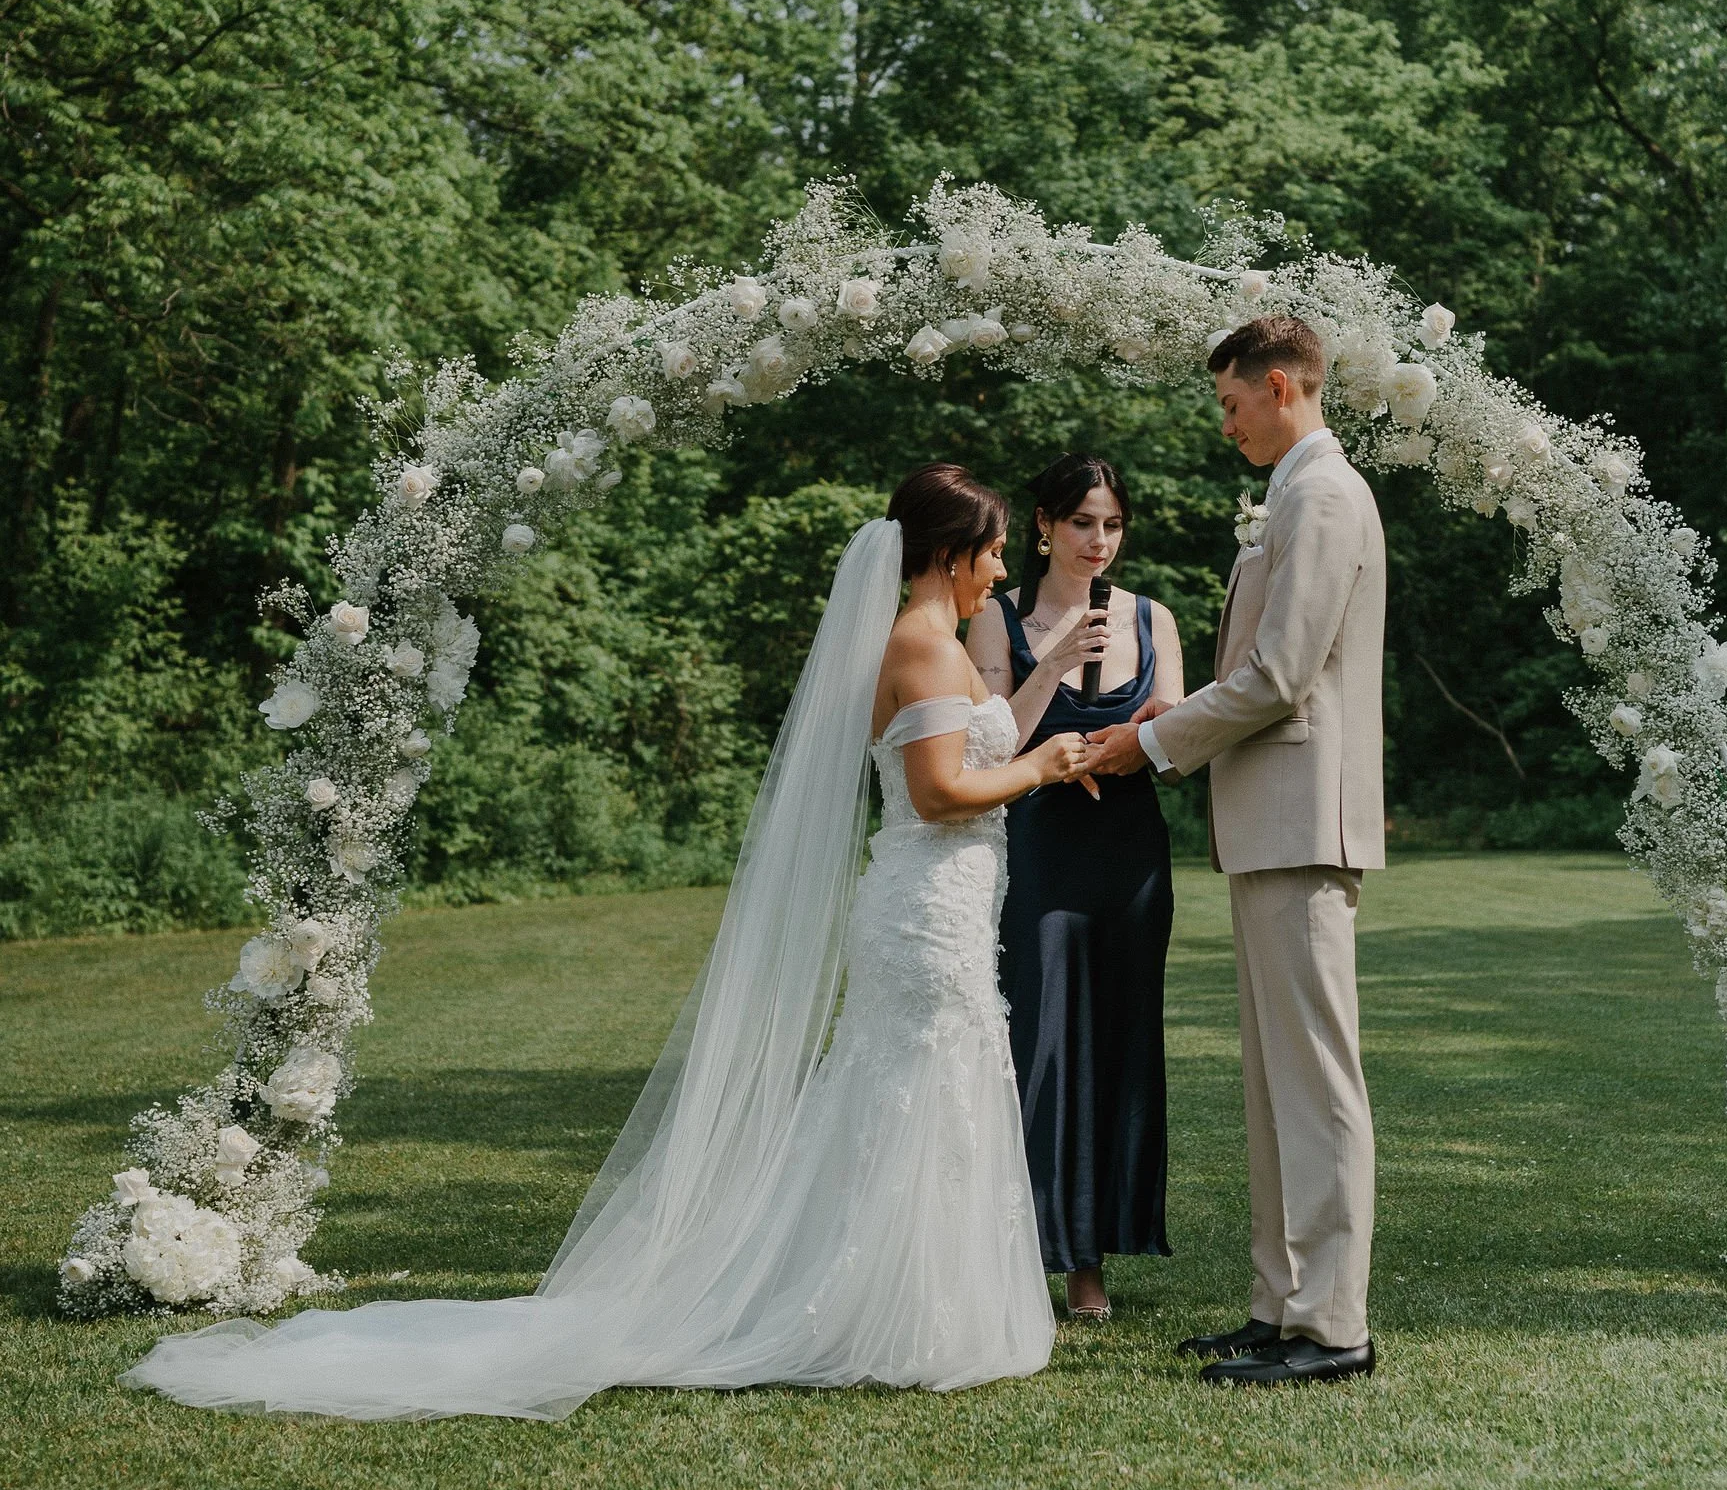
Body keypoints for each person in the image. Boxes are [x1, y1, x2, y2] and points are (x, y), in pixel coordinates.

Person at [124, 465, 1093, 1420]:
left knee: (932, 1089)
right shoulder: (920, 648)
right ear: (947, 551)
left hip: (951, 907)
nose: (1003, 569)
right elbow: (935, 794)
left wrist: (1048, 692)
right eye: (994, 549)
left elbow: (987, 740)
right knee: (914, 1087)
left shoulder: (947, 643)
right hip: (921, 913)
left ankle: (913, 1300)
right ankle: (882, 1311)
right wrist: (1043, 771)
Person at [1090, 318, 1385, 1387]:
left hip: (1305, 824)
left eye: (1228, 405)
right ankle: (1279, 1305)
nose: (1224, 426)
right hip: (1267, 822)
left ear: (1277, 386)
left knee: (1314, 1083)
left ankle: (1332, 1327)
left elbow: (1277, 677)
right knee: (1272, 1085)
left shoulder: (1320, 494)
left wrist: (1152, 739)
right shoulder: (1295, 494)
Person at [966, 455, 1185, 1320]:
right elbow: (990, 746)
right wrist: (1051, 664)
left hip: (1129, 850)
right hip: (1040, 847)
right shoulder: (996, 620)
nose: (1100, 542)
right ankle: (1018, 1252)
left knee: (1118, 1046)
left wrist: (1130, 741)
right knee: (1041, 1045)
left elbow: (1166, 732)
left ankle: (1092, 1261)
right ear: (1046, 526)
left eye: (1113, 525)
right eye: (1084, 523)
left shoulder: (1154, 616)